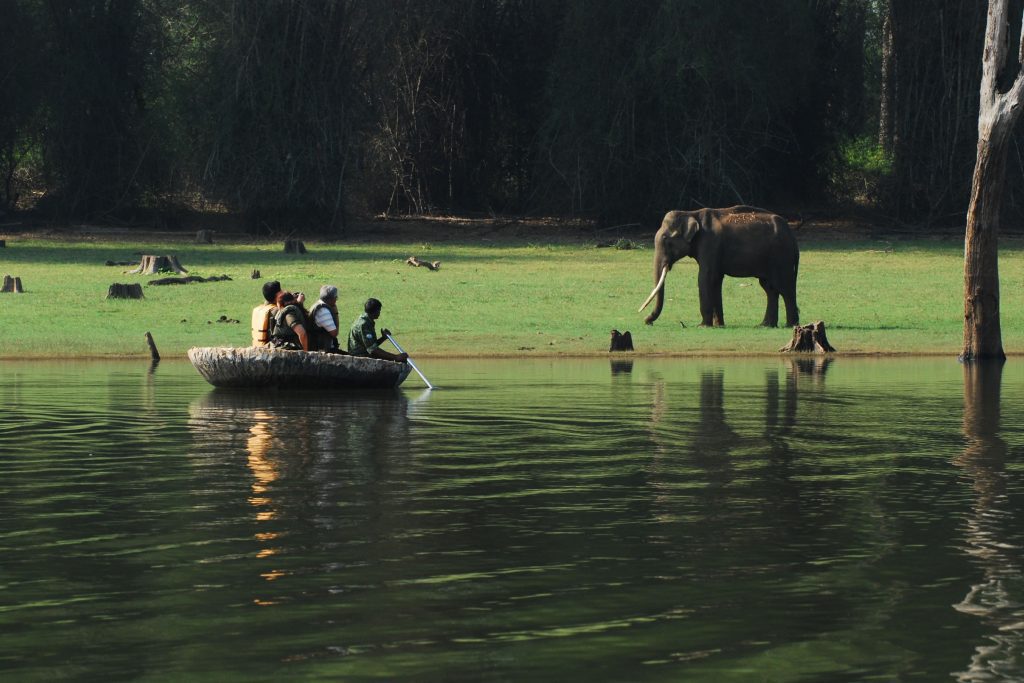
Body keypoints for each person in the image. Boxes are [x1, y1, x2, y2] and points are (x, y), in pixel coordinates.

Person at [347, 298, 408, 362]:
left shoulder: (365, 320)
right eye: (379, 310)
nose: (379, 313)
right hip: (359, 358)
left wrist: (383, 338)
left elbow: (371, 345)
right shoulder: (364, 325)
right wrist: (396, 357)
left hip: (364, 354)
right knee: (397, 360)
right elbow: (373, 350)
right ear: (375, 311)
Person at [308, 284, 342, 352]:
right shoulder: (323, 311)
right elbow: (334, 333)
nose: (336, 300)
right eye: (336, 297)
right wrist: (336, 313)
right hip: (322, 349)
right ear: (330, 299)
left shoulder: (318, 305)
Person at [251, 280, 281, 347]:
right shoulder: (276, 311)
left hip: (257, 347)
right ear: (278, 295)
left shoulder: (257, 309)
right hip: (270, 351)